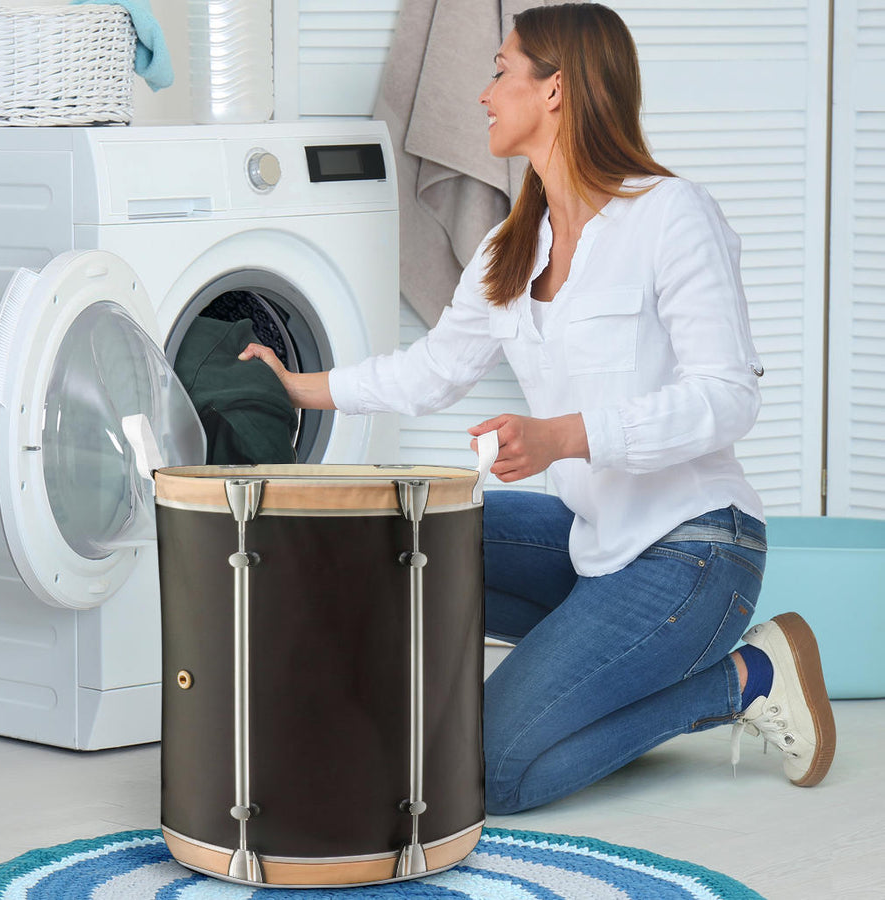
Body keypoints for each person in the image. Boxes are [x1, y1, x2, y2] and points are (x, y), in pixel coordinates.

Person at [240, 2, 836, 815]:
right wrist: (300, 385)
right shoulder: (508, 247)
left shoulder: (670, 214)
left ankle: (745, 679)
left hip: (697, 551)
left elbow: (728, 399)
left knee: (491, 774)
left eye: (500, 71)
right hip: (595, 544)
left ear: (555, 90)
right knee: (401, 534)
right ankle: (446, 711)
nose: (482, 94)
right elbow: (432, 371)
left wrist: (566, 437)